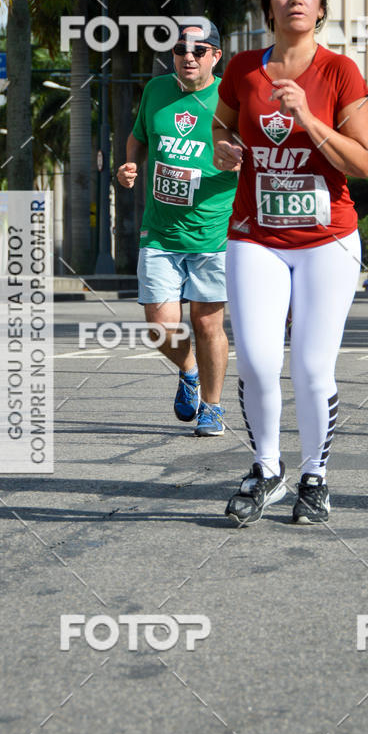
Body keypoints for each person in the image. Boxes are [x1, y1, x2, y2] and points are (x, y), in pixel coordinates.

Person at [212, 0, 368, 525]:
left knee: (311, 367)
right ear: (268, 8)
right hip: (253, 235)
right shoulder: (242, 69)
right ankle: (266, 469)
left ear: (322, 7)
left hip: (326, 241)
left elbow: (364, 162)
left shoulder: (340, 72)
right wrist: (224, 148)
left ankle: (315, 476)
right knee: (257, 360)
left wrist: (308, 116)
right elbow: (221, 127)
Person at [116, 22, 237, 436]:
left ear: (215, 56)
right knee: (160, 327)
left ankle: (213, 406)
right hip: (161, 232)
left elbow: (255, 150)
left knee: (207, 324)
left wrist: (241, 160)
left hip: (213, 230)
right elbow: (138, 139)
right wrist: (131, 164)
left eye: (199, 50)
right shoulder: (156, 91)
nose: (189, 56)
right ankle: (189, 372)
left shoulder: (231, 97)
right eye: (181, 50)